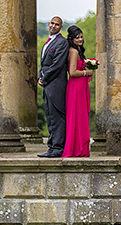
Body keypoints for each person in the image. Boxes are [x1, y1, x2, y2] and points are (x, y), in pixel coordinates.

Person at [37, 16, 69, 158]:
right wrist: (40, 76)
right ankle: (52, 146)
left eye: (57, 24)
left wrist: (44, 78)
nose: (54, 26)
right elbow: (44, 63)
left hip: (56, 85)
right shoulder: (48, 42)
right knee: (50, 117)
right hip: (48, 84)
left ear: (61, 27)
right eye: (52, 23)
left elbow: (57, 65)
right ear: (49, 24)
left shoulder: (62, 43)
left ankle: (58, 148)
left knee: (57, 117)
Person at [61, 25, 94, 158]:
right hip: (76, 88)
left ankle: (80, 148)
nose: (80, 39)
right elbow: (73, 72)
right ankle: (76, 149)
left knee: (80, 117)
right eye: (77, 38)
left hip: (80, 87)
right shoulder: (73, 52)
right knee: (76, 117)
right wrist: (87, 72)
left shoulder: (77, 50)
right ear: (71, 39)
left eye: (81, 37)